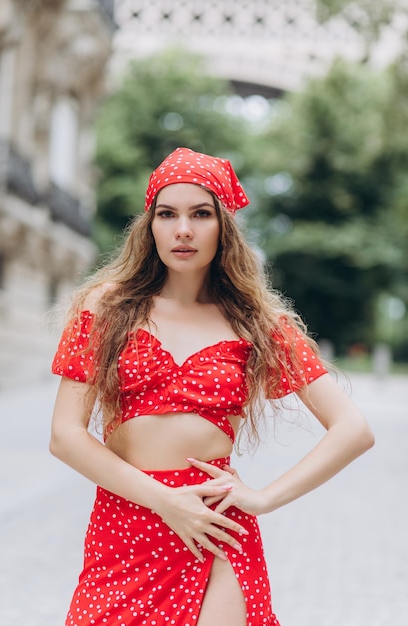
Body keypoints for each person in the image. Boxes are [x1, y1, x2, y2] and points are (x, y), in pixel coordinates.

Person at [50, 147, 374, 626]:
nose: (183, 230)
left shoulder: (257, 323)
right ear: (150, 226)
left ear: (224, 226)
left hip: (214, 529)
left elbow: (353, 429)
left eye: (201, 214)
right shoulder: (105, 307)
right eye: (167, 214)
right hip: (126, 525)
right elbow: (65, 437)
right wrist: (165, 501)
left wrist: (264, 498)